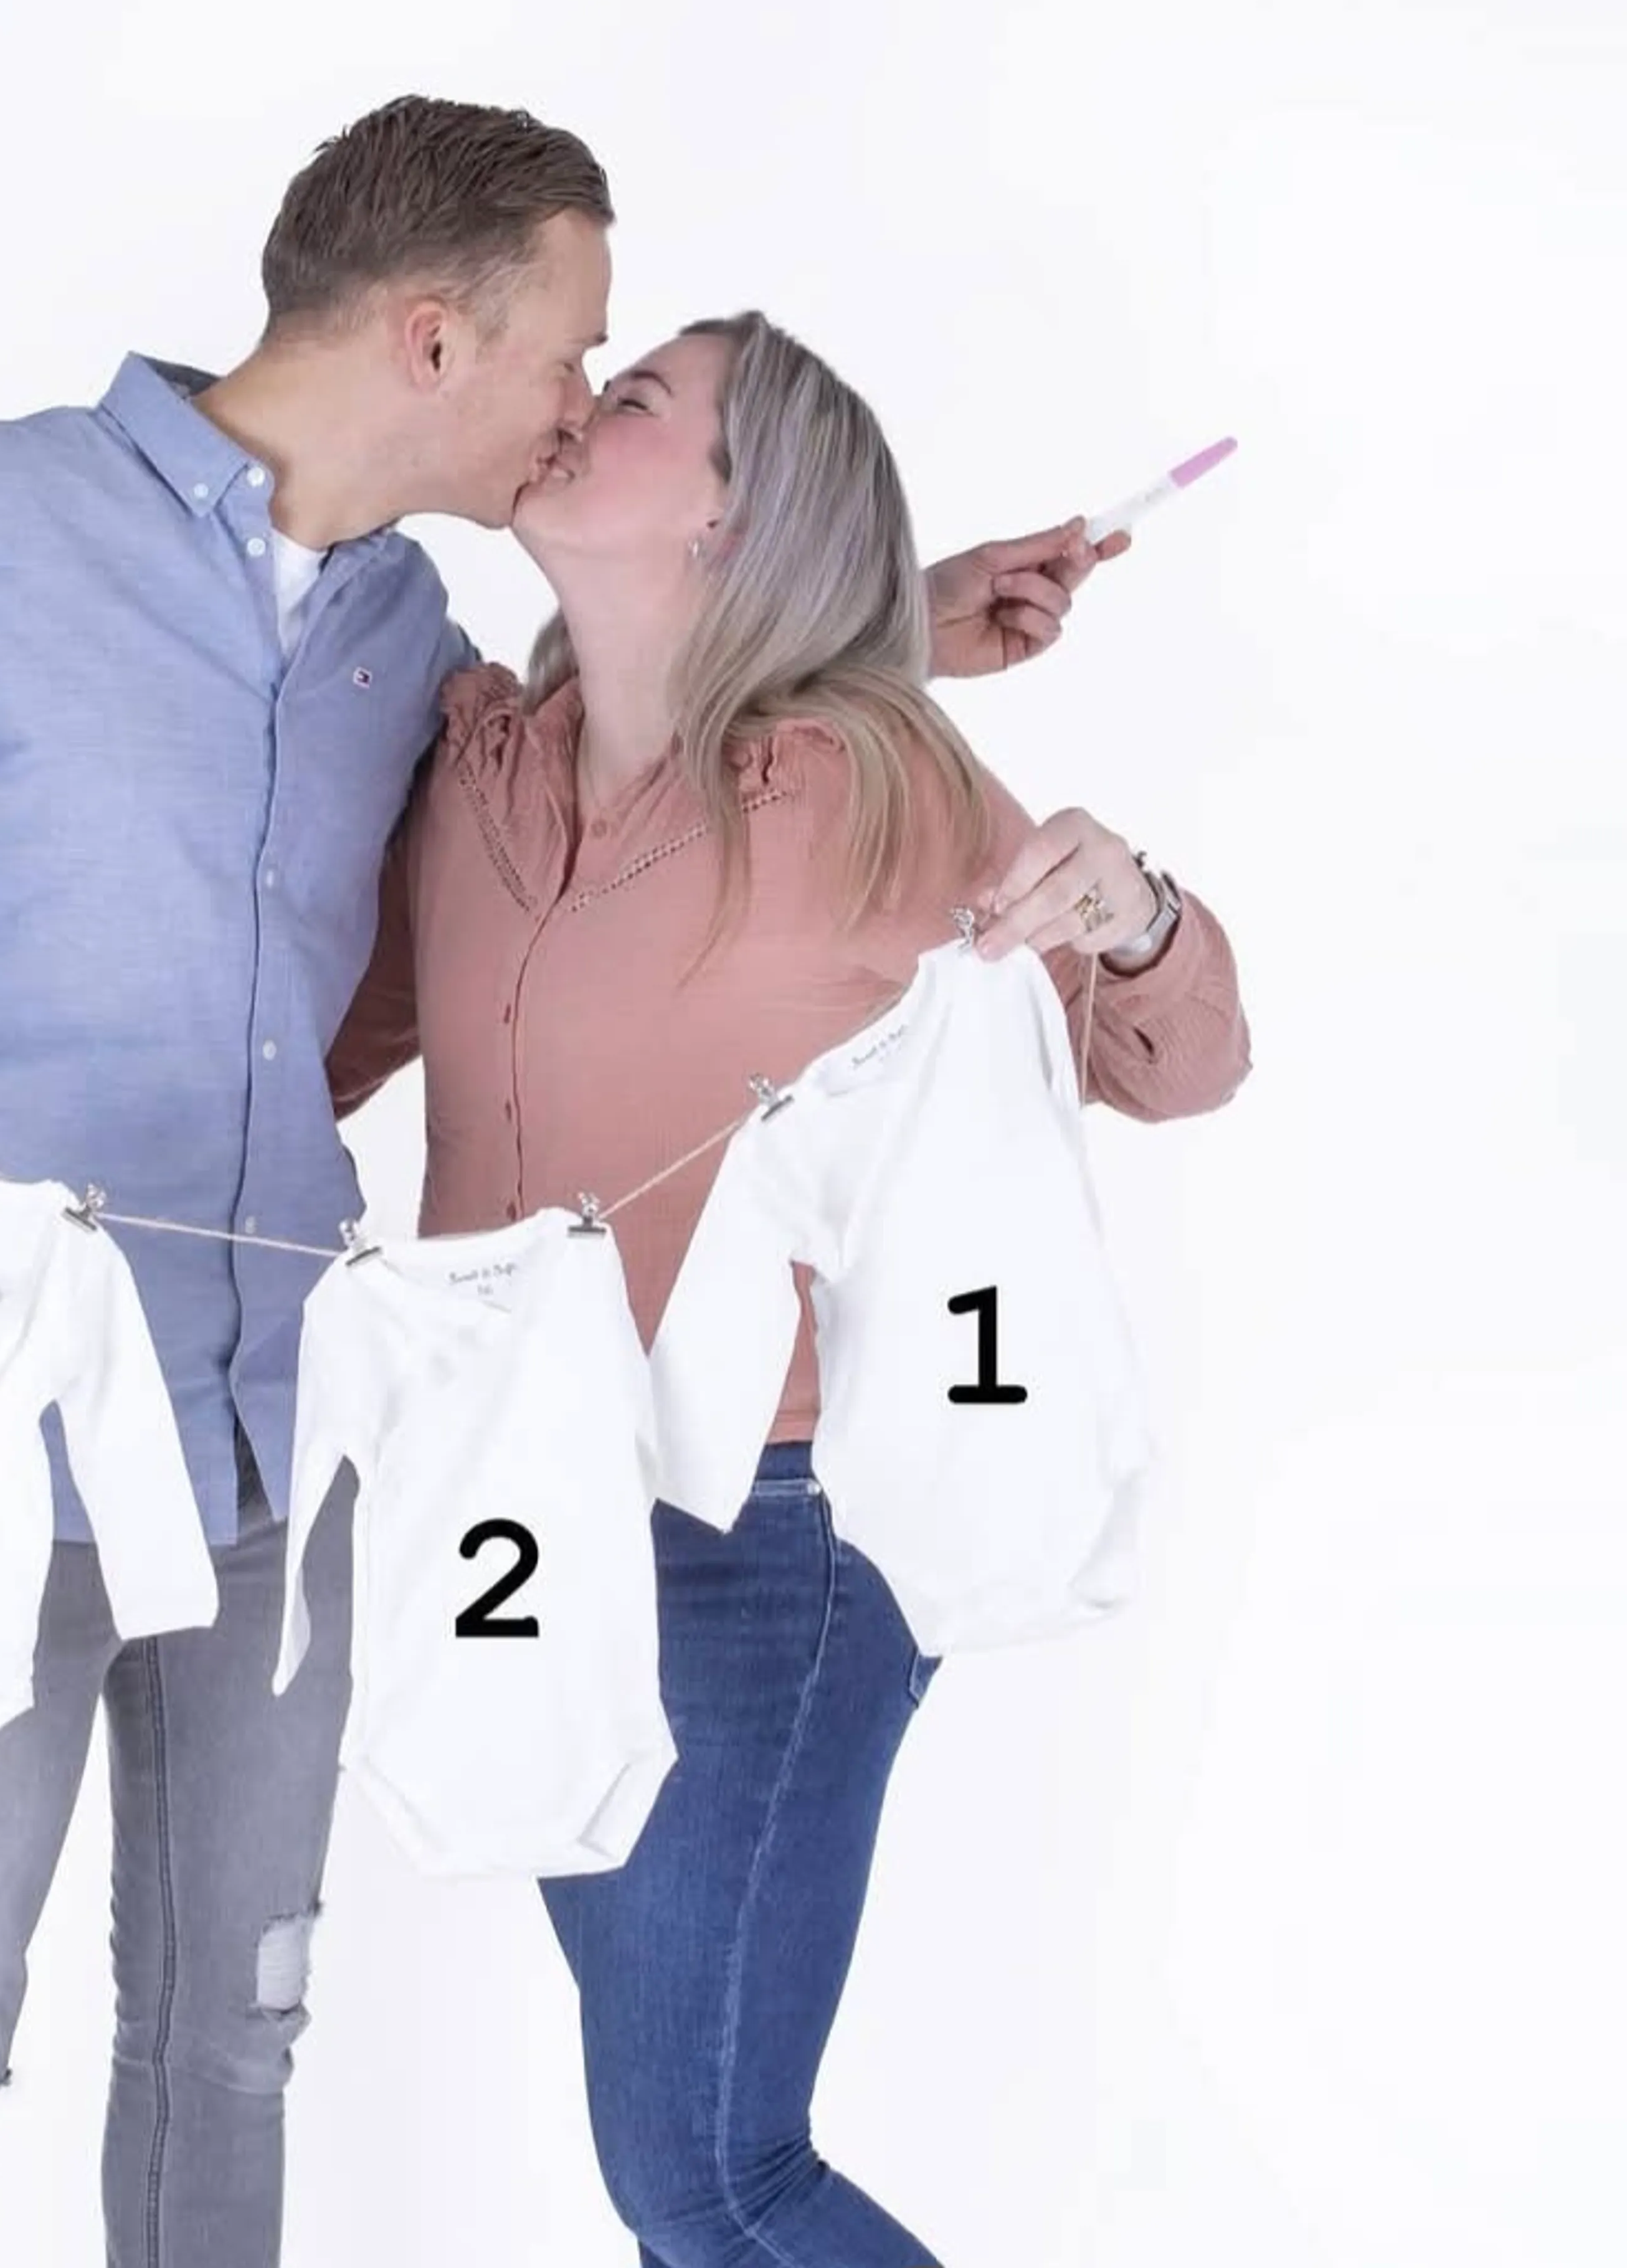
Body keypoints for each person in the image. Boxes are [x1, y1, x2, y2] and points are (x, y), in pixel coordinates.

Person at [0, 95, 1131, 2268]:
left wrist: (890, 613)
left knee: (233, 2047)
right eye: (575, 353)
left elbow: (647, 720)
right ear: (435, 342)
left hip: (281, 1457)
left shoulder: (407, 636)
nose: (580, 402)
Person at [305, 313, 1251, 2266]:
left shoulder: (868, 784)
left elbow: (1179, 1067)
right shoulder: (476, 768)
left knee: (712, 2177)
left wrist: (1135, 911)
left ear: (733, 520)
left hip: (769, 1542)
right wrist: (0, 1060)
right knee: (682, 2170)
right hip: (512, 1511)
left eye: (640, 398)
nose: (584, 403)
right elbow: (321, 1049)